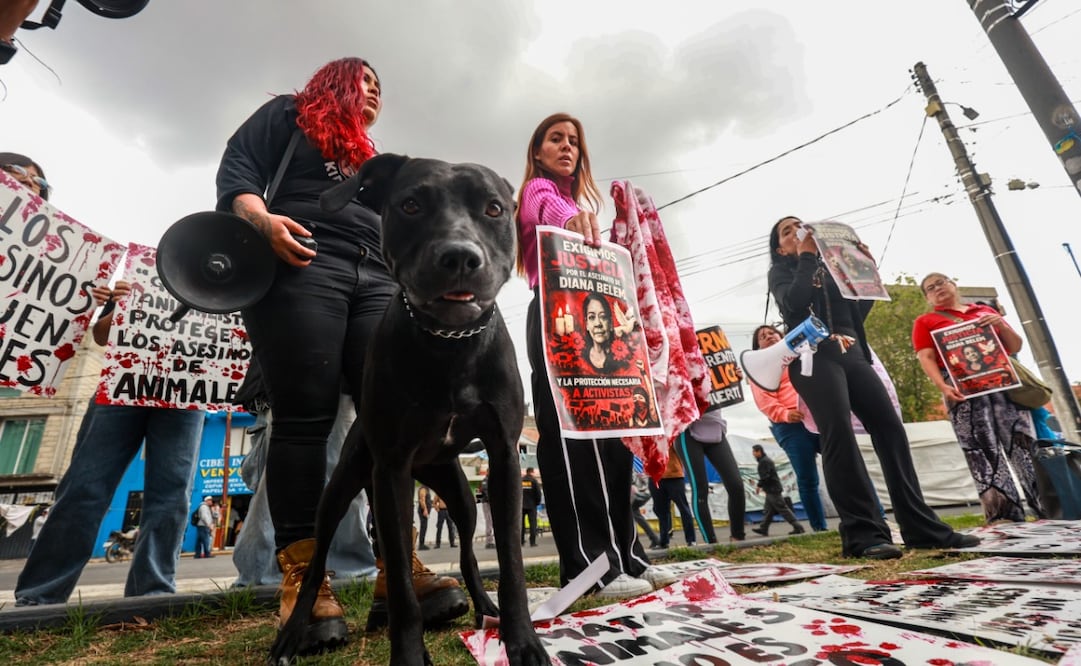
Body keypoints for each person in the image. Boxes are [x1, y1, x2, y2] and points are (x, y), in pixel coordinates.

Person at [215, 57, 464, 647]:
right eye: (365, 81)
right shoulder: (286, 116)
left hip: (379, 279)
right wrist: (262, 222)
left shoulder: (375, 163)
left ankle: (397, 573)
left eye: (381, 86)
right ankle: (304, 584)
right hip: (303, 261)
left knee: (389, 424)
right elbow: (238, 175)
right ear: (334, 82)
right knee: (305, 415)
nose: (375, 92)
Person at [516, 112, 670, 599]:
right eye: (556, 139)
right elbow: (548, 213)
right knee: (572, 445)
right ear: (538, 151)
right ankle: (588, 567)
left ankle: (625, 556)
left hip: (596, 317)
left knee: (612, 440)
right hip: (557, 319)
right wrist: (573, 220)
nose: (567, 147)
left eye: (574, 142)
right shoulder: (539, 193)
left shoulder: (580, 201)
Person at [767, 215, 979, 559]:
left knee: (891, 430)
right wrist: (806, 257)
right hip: (814, 359)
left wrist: (864, 271)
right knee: (838, 435)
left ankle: (922, 528)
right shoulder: (782, 272)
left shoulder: (833, 269)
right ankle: (864, 534)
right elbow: (794, 305)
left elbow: (856, 314)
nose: (798, 232)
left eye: (800, 225)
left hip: (853, 354)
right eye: (787, 231)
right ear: (780, 247)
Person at [16, 280, 206, 605]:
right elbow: (102, 335)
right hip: (121, 387)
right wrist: (119, 304)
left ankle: (152, 595)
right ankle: (40, 596)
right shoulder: (143, 277)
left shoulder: (229, 283)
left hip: (185, 393)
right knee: (83, 488)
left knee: (172, 495)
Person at [912, 272, 1045, 524]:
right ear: (928, 298)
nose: (938, 288)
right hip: (961, 389)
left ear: (954, 284)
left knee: (1023, 444)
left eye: (942, 282)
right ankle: (1004, 514)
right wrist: (942, 386)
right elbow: (926, 357)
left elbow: (1014, 346)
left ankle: (1045, 506)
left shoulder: (983, 311)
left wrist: (1000, 324)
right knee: (981, 450)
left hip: (1003, 384)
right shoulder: (925, 321)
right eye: (930, 288)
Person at [748, 324, 829, 532]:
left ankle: (873, 515)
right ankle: (819, 528)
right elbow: (764, 402)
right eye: (762, 337)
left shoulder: (802, 353)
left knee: (843, 466)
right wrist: (785, 414)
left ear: (782, 335)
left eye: (772, 333)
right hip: (790, 426)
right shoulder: (758, 370)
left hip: (819, 417)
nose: (768, 337)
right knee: (808, 478)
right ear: (758, 347)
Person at [672, 410, 747, 543]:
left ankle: (737, 537)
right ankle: (711, 543)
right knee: (700, 488)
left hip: (715, 428)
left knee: (736, 485)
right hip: (687, 429)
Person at [649, 443, 698, 548]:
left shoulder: (673, 433)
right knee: (661, 510)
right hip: (655, 477)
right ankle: (664, 541)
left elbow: (682, 451)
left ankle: (691, 540)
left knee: (683, 509)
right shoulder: (649, 437)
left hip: (674, 476)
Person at [750, 444, 805, 536]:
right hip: (770, 489)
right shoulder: (765, 461)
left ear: (759, 451)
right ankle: (763, 528)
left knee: (782, 508)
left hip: (773, 490)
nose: (753, 454)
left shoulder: (764, 462)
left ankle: (798, 527)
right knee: (768, 510)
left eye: (754, 452)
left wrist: (759, 485)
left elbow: (766, 476)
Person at [630, 471, 660, 548]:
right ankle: (654, 539)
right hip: (637, 493)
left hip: (634, 494)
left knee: (633, 515)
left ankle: (654, 539)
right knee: (636, 515)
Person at [520, 467, 543, 547]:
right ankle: (532, 542)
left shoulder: (521, 481)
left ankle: (521, 541)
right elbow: (538, 493)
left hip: (521, 506)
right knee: (532, 524)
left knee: (521, 524)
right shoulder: (534, 481)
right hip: (532, 505)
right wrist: (537, 502)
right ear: (532, 472)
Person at [476, 472, 495, 549]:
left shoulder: (491, 480)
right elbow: (485, 491)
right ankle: (489, 541)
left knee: (491, 521)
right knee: (489, 521)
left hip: (489, 502)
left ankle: (491, 540)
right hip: (487, 503)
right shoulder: (486, 480)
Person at [416, 485, 433, 550]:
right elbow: (422, 500)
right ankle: (421, 545)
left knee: (424, 527)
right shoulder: (423, 489)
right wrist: (425, 509)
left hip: (424, 511)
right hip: (422, 510)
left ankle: (422, 543)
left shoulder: (426, 489)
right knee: (423, 527)